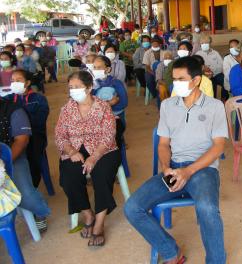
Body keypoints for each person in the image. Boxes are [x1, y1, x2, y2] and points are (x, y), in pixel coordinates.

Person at [124, 56, 228, 264]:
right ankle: (171, 251)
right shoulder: (168, 106)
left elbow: (218, 146)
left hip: (203, 170)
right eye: (174, 79)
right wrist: (166, 167)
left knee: (207, 209)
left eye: (181, 79)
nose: (175, 84)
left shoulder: (215, 106)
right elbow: (163, 144)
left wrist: (188, 171)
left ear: (196, 80)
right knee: (132, 208)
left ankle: (216, 261)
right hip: (173, 169)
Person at [55, 71, 120, 246]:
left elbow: (109, 136)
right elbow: (60, 136)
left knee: (102, 176)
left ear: (89, 87)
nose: (73, 91)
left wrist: (94, 157)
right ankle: (87, 214)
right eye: (70, 88)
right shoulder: (67, 109)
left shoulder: (103, 107)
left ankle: (99, 223)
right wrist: (71, 152)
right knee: (68, 178)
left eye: (77, 87)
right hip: (75, 149)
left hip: (103, 150)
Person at [0, 95, 51, 232]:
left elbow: (21, 141)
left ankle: (40, 212)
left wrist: (4, 163)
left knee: (25, 194)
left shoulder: (13, 110)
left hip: (11, 156)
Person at [6, 70, 49, 189]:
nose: (14, 83)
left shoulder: (39, 99)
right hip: (13, 136)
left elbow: (40, 121)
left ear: (28, 82)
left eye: (18, 80)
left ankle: (32, 185)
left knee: (33, 155)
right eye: (12, 81)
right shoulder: (8, 99)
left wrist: (21, 122)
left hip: (35, 136)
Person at [196, 34, 227, 101]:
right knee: (211, 85)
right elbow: (197, 66)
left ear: (210, 44)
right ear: (200, 44)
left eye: (206, 43)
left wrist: (213, 71)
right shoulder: (198, 54)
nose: (204, 44)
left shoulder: (215, 53)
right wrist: (205, 70)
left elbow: (221, 64)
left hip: (217, 74)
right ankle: (212, 100)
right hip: (205, 76)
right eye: (202, 43)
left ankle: (224, 98)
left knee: (225, 80)